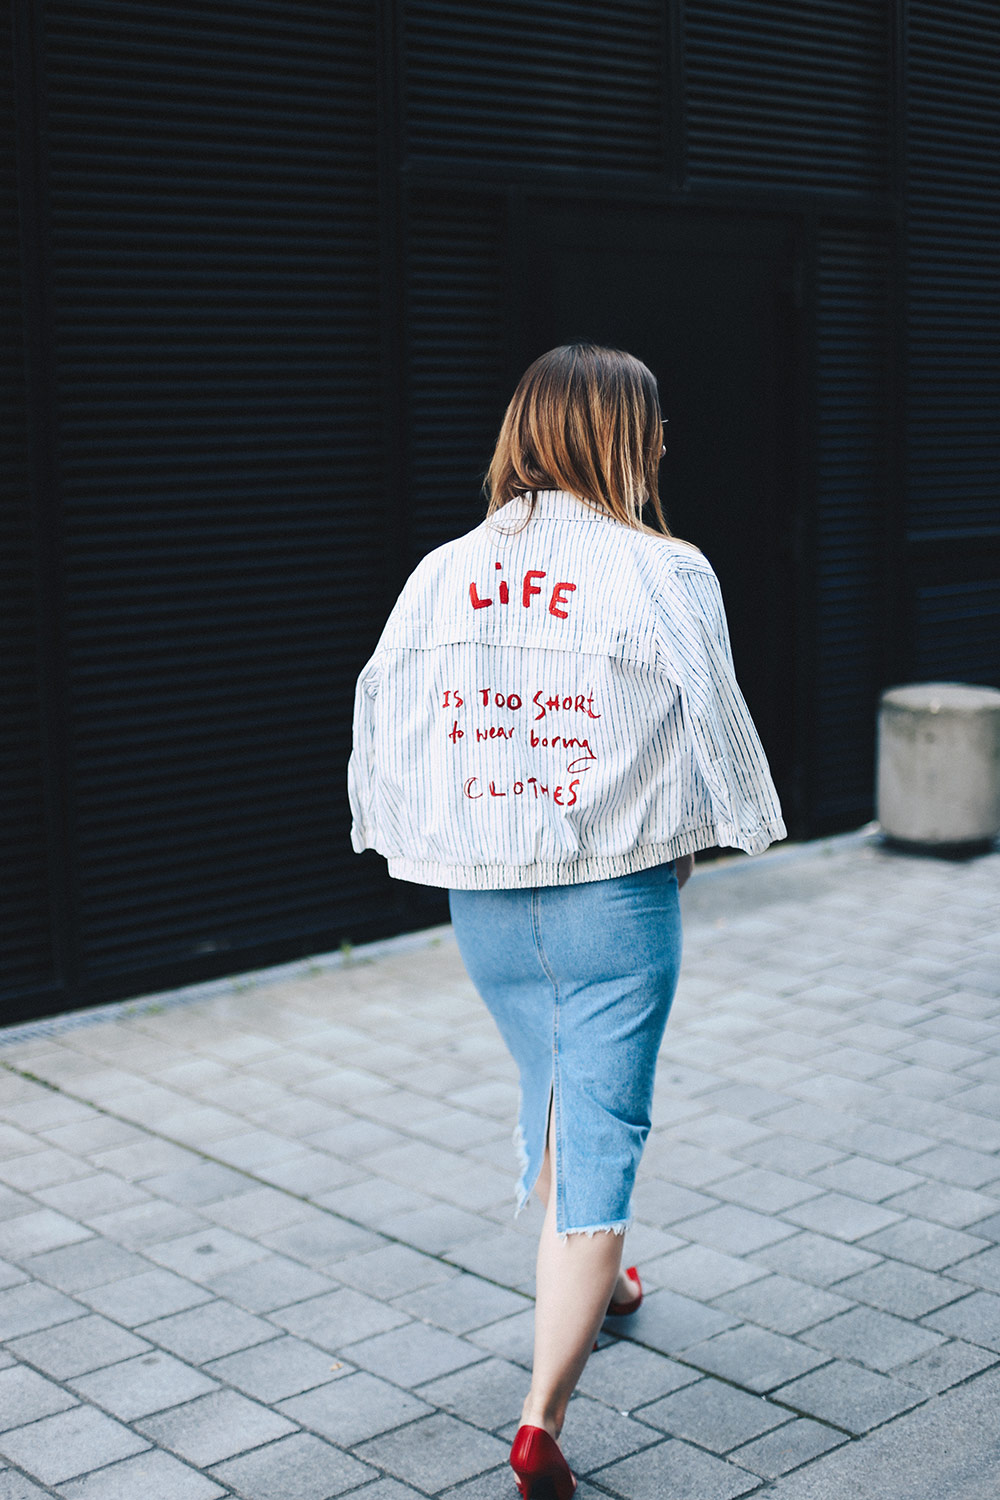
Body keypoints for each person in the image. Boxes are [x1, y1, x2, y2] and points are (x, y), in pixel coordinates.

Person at [348, 343, 785, 1497]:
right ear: (619, 437)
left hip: (481, 899)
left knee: (553, 1078)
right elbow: (711, 720)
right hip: (614, 899)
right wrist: (725, 827)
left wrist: (405, 832)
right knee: (601, 1133)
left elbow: (383, 709)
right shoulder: (665, 569)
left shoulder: (441, 572)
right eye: (652, 427)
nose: (661, 446)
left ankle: (610, 1278)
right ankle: (540, 1418)